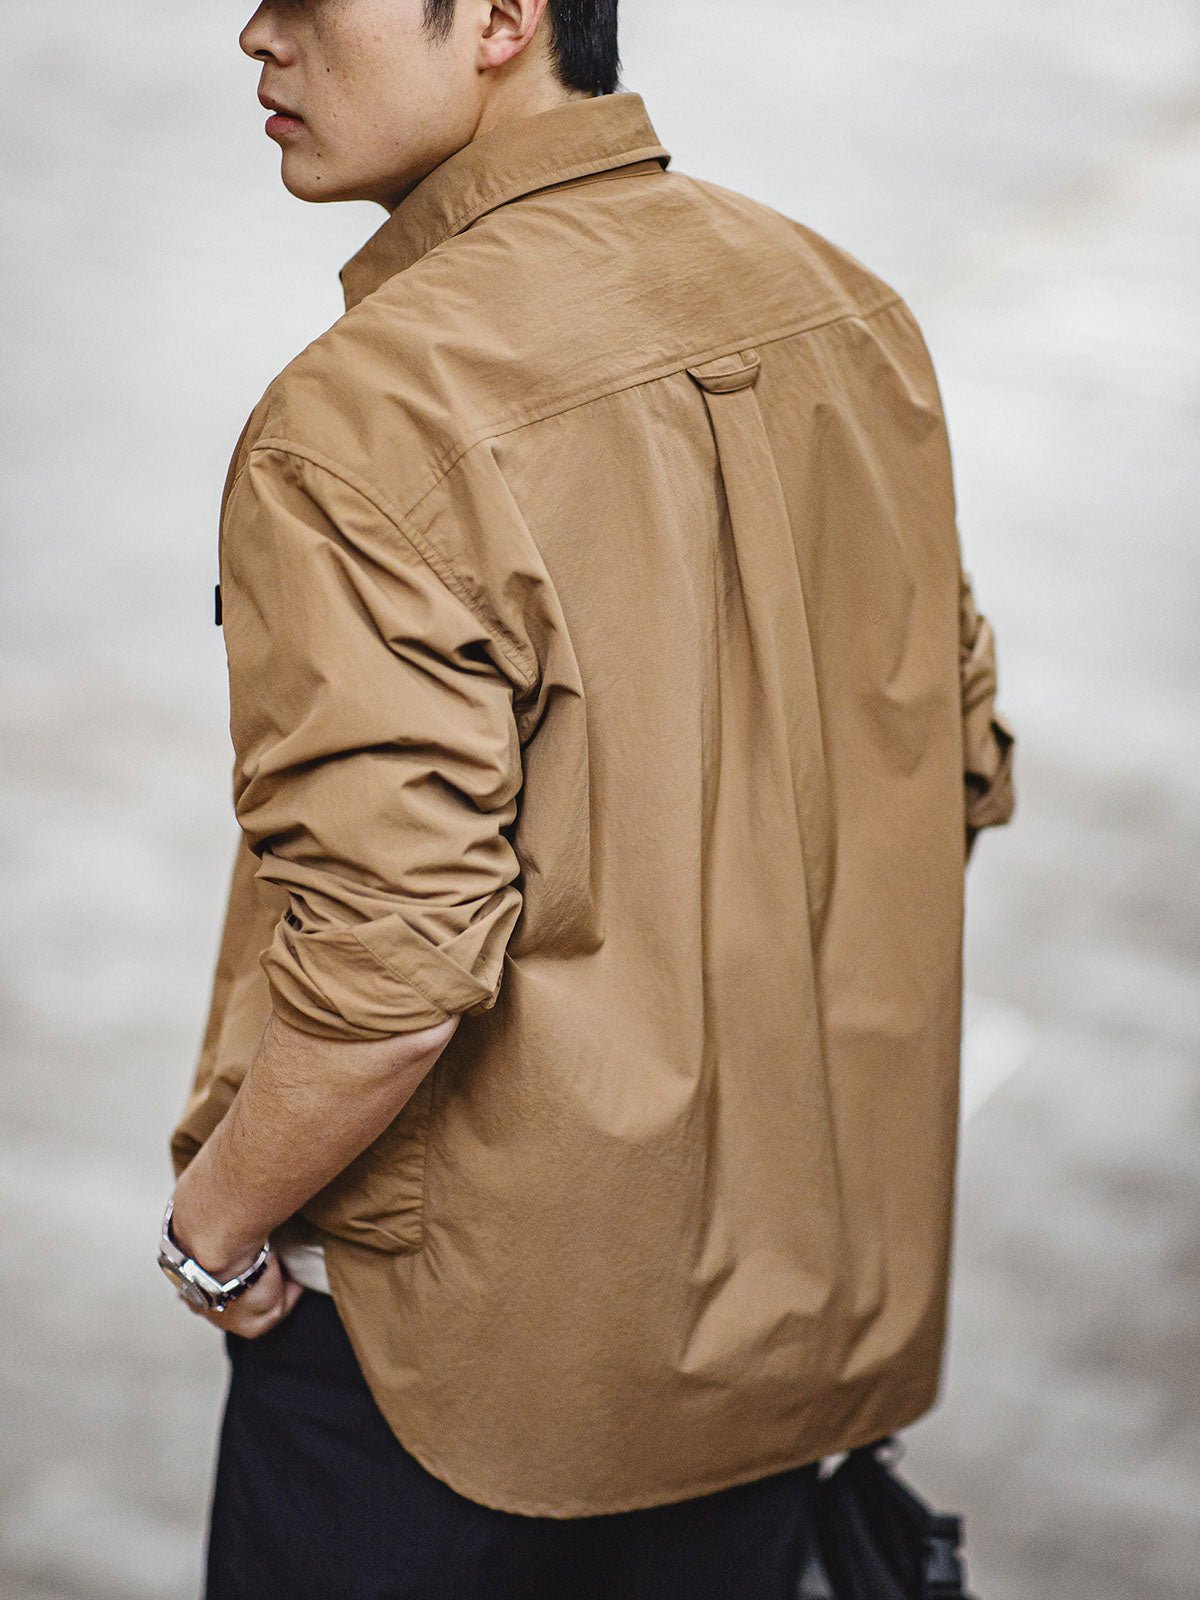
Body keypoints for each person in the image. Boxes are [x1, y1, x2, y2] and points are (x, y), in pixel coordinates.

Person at [160, 1, 1017, 1596]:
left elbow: (391, 968)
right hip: (784, 1323)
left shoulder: (368, 412)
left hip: (450, 1375)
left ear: (500, 16)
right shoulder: (846, 307)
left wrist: (211, 1226)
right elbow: (949, 775)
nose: (257, 36)